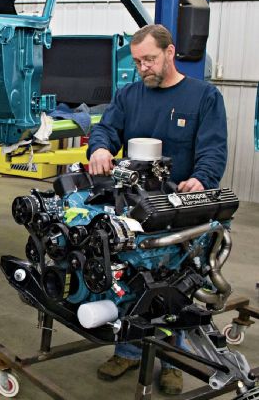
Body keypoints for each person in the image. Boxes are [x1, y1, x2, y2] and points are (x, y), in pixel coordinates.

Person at [87, 24, 227, 395]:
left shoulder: (204, 97)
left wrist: (201, 179)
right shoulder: (129, 95)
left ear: (170, 52)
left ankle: (171, 359)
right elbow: (105, 129)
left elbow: (213, 150)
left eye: (149, 59)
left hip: (180, 212)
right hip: (134, 209)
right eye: (137, 62)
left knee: (174, 291)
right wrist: (99, 147)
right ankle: (128, 351)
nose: (143, 68)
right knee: (130, 284)